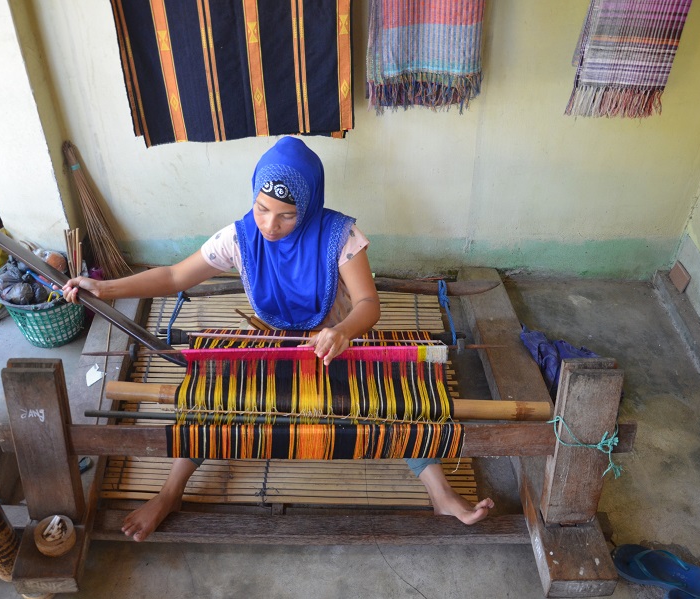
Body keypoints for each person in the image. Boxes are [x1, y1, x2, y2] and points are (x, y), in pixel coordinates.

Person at [61, 137, 493, 541]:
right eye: (262, 207)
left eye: (287, 215)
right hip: (273, 340)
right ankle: (171, 490)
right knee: (216, 394)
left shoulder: (340, 237)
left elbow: (368, 305)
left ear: (307, 208)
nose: (270, 224)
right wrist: (107, 288)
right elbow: (175, 275)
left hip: (336, 338)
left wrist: (341, 332)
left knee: (388, 396)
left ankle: (438, 490)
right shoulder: (240, 237)